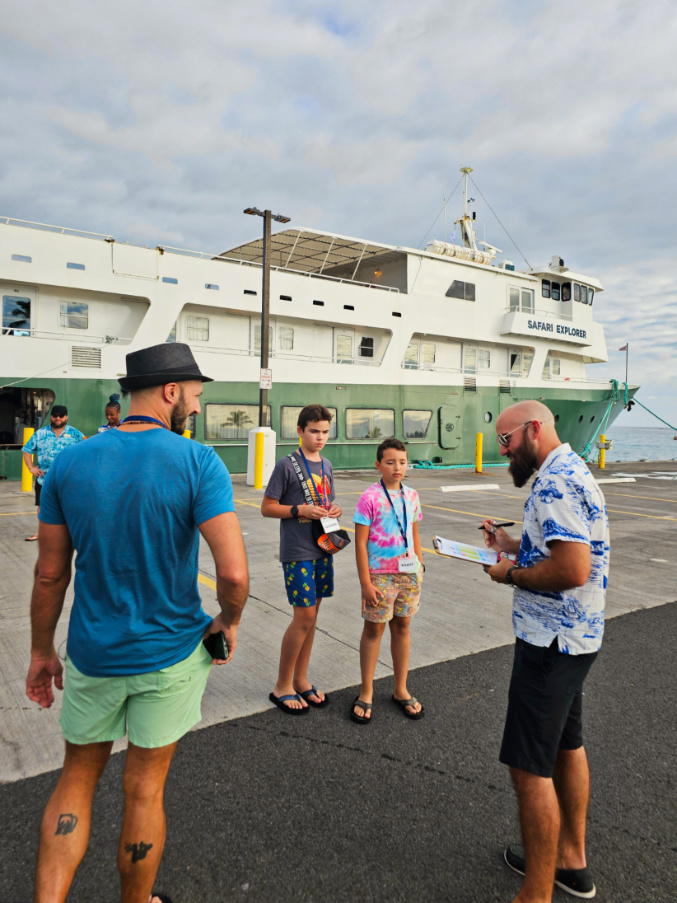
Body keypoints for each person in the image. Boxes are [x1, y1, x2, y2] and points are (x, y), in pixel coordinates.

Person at [25, 342, 249, 903]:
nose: (195, 407)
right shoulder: (197, 462)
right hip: (168, 655)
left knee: (76, 778)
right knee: (144, 790)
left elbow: (50, 576)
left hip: (94, 653)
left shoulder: (70, 463)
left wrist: (40, 652)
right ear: (170, 391)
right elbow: (235, 575)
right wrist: (227, 620)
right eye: (194, 396)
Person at [481, 400, 609, 903]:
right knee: (565, 745)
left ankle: (536, 895)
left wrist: (507, 573)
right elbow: (565, 549)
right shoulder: (573, 470)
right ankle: (570, 861)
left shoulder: (554, 482)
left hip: (549, 643)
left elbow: (572, 569)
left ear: (533, 430)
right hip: (578, 638)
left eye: (506, 440)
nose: (504, 451)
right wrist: (513, 545)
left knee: (529, 767)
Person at [262, 404, 342, 714]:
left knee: (312, 617)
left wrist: (333, 509)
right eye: (314, 431)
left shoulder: (327, 465)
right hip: (297, 552)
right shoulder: (286, 465)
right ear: (300, 431)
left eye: (324, 432)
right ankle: (282, 684)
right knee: (304, 617)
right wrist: (299, 510)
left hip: (323, 547)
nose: (320, 437)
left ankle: (301, 679)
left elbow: (328, 500)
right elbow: (267, 507)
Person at [351, 438, 424, 724]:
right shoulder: (369, 497)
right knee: (374, 630)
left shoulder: (412, 495)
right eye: (391, 462)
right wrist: (365, 583)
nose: (397, 467)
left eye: (402, 462)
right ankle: (366, 691)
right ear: (378, 464)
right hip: (379, 576)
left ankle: (400, 688)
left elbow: (414, 530)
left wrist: (419, 564)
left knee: (403, 626)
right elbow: (360, 543)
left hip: (409, 573)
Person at [22, 405, 84, 541]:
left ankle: (69, 533)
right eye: (55, 415)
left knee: (68, 506)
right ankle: (42, 532)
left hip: (67, 479)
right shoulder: (40, 433)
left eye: (61, 416)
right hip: (44, 478)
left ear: (66, 417)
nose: (57, 418)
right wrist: (31, 468)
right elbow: (27, 450)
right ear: (51, 416)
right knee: (42, 506)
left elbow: (85, 452)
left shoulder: (75, 434)